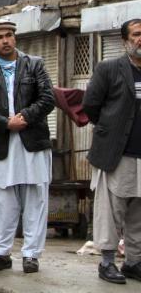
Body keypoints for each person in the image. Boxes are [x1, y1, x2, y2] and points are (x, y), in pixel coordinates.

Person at [0, 18, 55, 275]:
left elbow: (47, 98)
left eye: (9, 35)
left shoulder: (35, 65)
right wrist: (6, 123)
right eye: (0, 37)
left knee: (35, 197)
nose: (6, 40)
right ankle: (0, 252)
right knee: (3, 199)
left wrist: (25, 117)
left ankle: (31, 255)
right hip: (3, 141)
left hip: (33, 140)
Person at [84, 18, 141, 285]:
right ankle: (107, 262)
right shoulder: (109, 68)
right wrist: (111, 130)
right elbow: (91, 106)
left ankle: (133, 262)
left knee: (138, 213)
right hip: (115, 154)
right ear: (125, 40)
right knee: (110, 210)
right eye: (137, 34)